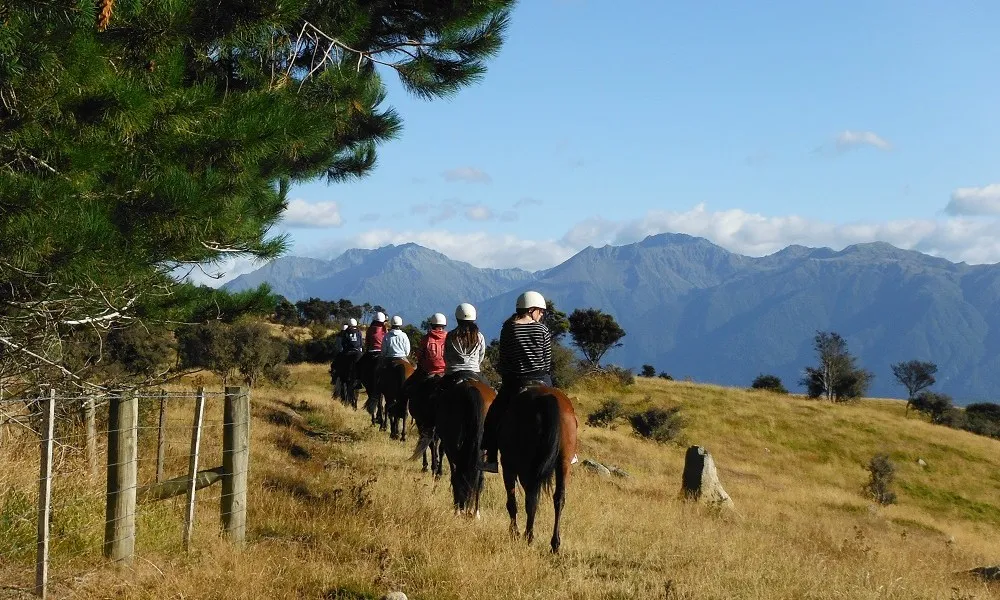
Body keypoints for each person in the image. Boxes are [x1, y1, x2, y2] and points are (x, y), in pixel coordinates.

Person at [481, 291, 552, 473]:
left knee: (493, 414)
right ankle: (570, 451)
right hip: (541, 378)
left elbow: (503, 359)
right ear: (531, 309)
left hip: (515, 381)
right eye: (540, 311)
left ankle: (489, 456)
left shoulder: (508, 328)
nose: (541, 315)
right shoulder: (542, 329)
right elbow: (547, 360)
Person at [441, 302, 489, 387]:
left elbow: (446, 356)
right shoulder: (479, 336)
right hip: (474, 371)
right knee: (492, 392)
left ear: (457, 318)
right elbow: (481, 355)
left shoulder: (450, 335)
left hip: (453, 372)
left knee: (436, 394)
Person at [404, 313, 448, 402]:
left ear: (431, 325)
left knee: (407, 385)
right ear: (444, 325)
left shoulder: (426, 338)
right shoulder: (449, 338)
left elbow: (419, 355)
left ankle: (400, 406)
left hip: (428, 371)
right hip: (446, 372)